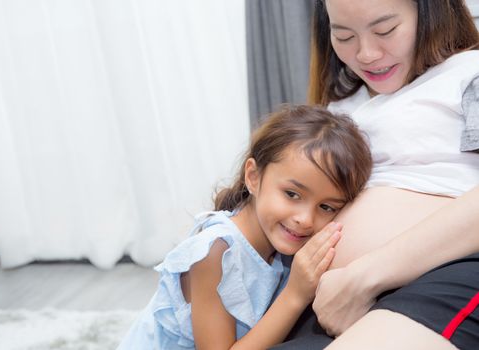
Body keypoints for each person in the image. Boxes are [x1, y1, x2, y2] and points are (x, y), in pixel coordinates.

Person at [273, 0, 479, 349]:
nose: (366, 53)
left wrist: (363, 276)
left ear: (430, 13)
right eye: (344, 36)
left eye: (385, 31)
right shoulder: (339, 108)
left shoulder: (467, 74)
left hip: (441, 275)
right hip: (333, 301)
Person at [116, 105, 372, 349]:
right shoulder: (216, 252)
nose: (305, 219)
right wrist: (295, 294)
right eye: (292, 194)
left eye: (326, 207)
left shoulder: (281, 246)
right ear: (254, 177)